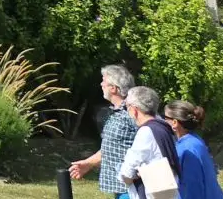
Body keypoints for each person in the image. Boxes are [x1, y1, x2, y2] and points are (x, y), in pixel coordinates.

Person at [69, 64, 138, 198]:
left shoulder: (132, 113)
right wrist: (88, 163)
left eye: (104, 81)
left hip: (133, 189)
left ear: (113, 88)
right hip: (121, 188)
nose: (101, 84)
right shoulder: (115, 113)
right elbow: (110, 147)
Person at [117, 86, 179, 199]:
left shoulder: (146, 132)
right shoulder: (164, 127)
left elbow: (126, 174)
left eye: (127, 107)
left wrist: (140, 173)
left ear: (134, 110)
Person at [165, 99, 223, 199]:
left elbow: (193, 187)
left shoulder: (186, 150)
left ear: (175, 123)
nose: (163, 121)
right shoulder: (194, 139)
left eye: (165, 118)